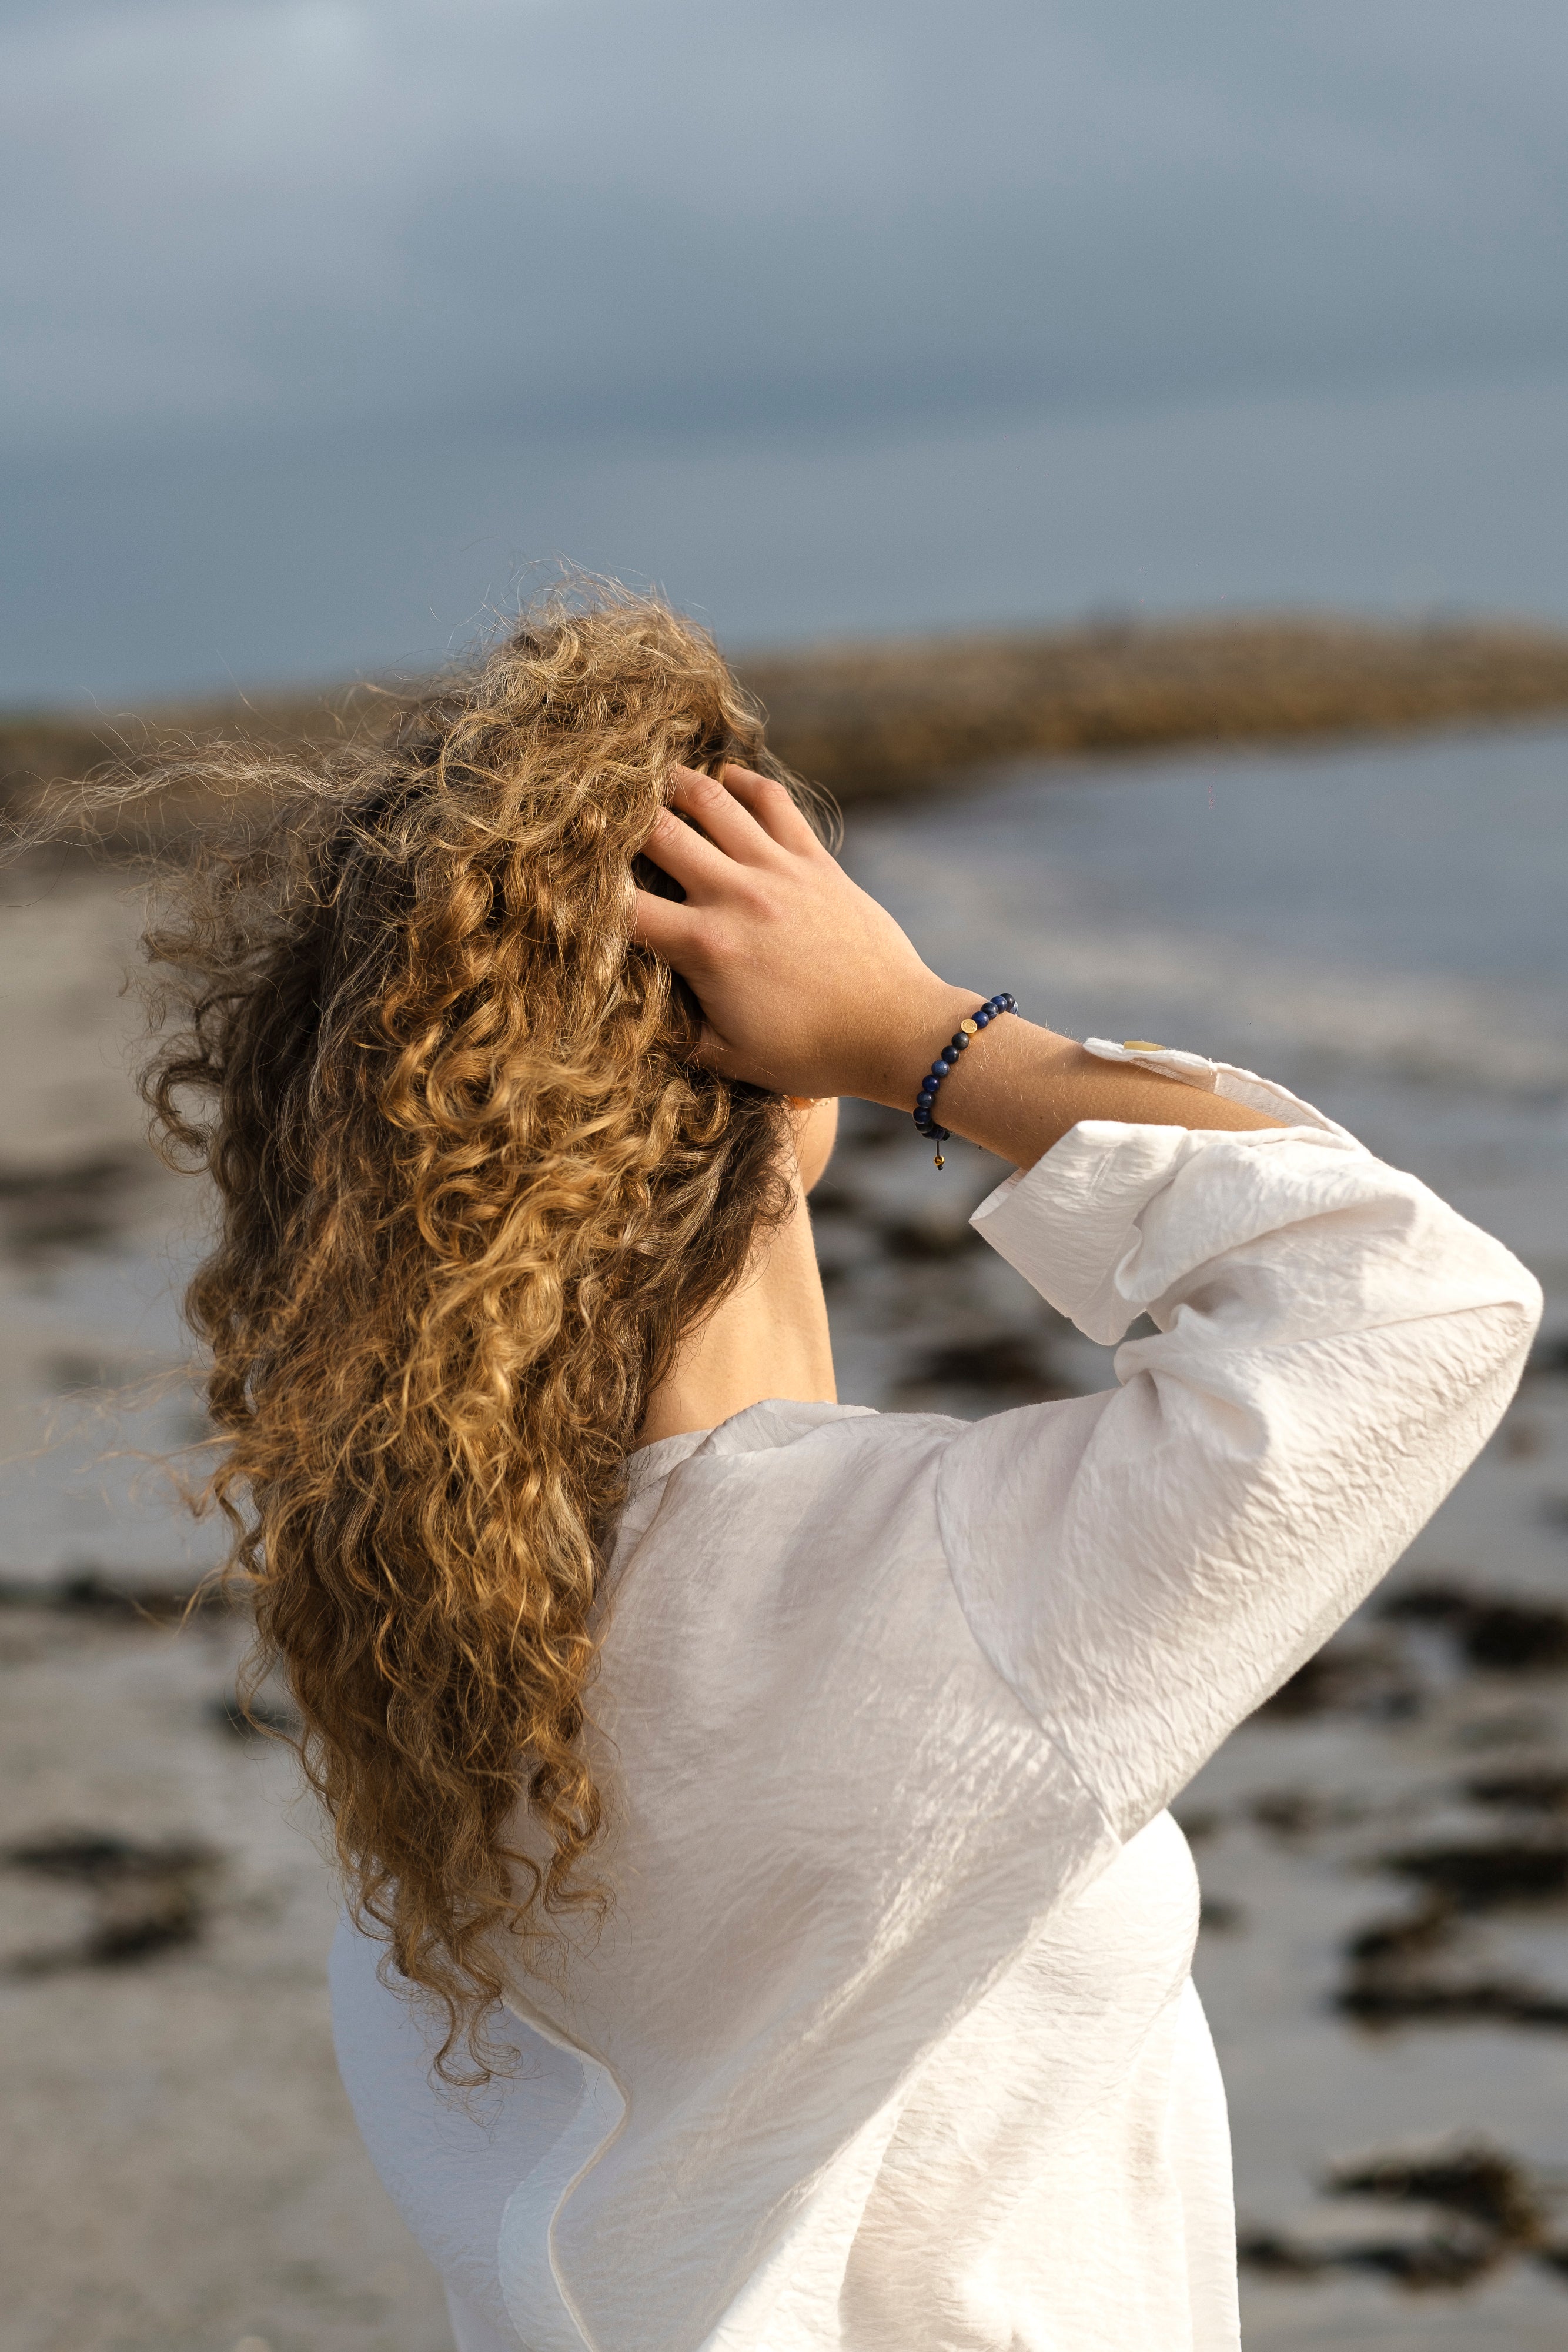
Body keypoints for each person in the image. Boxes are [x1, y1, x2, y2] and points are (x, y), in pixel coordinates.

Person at [141, 592, 1540, 2352]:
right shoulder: (918, 1586)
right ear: (775, 1078)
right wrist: (925, 1035)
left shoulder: (427, 1647)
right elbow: (1413, 1298)